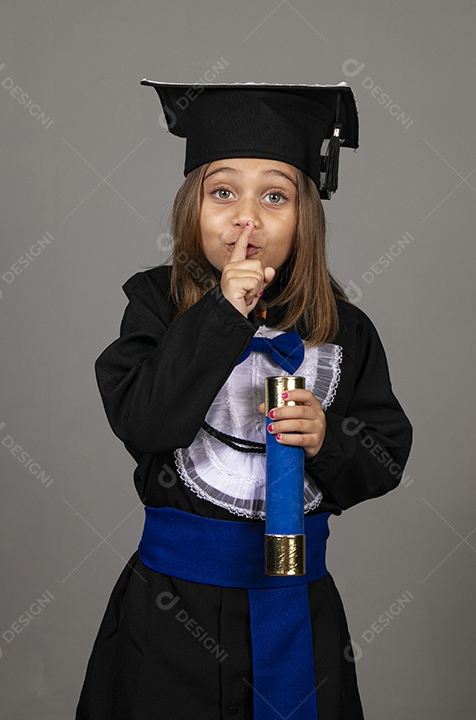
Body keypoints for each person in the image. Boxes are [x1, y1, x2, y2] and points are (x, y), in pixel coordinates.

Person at [74, 79, 413, 720]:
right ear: (190, 208)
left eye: (275, 196)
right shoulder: (155, 305)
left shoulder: (344, 330)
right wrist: (223, 314)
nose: (246, 218)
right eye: (223, 192)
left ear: (306, 216)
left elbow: (387, 455)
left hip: (295, 600)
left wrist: (328, 436)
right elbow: (146, 421)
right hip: (174, 602)